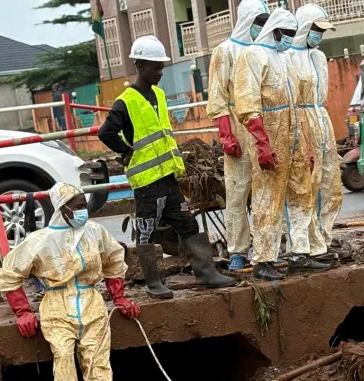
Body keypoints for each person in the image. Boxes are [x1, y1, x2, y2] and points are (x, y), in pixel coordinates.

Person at [98, 36, 235, 297]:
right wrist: (126, 151)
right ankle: (153, 283)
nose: (160, 72)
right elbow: (106, 133)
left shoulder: (159, 95)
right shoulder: (126, 102)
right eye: (155, 67)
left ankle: (207, 274)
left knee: (187, 224)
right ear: (139, 66)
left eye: (161, 67)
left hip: (168, 178)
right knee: (147, 231)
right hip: (148, 182)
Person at [0, 183, 140, 381]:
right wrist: (23, 312)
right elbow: (9, 274)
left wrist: (119, 298)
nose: (83, 211)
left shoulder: (95, 232)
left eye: (84, 206)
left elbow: (114, 259)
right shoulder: (40, 241)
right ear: (63, 208)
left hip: (91, 302)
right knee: (63, 357)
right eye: (78, 207)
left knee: (98, 363)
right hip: (56, 306)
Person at [235, 8, 319, 281]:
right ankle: (263, 259)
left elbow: (295, 106)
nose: (293, 39)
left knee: (302, 194)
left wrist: (304, 146)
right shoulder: (253, 56)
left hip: (293, 136)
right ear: (277, 31)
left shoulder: (284, 59)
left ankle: (300, 253)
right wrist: (262, 145)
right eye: (289, 33)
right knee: (267, 199)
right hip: (270, 136)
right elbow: (248, 105)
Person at [207, 0, 269, 272]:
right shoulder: (226, 51)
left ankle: (269, 245)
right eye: (258, 22)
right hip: (237, 127)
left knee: (266, 191)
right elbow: (218, 95)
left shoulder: (263, 51)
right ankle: (238, 250)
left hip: (263, 128)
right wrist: (227, 135)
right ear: (246, 20)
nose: (261, 28)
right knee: (236, 192)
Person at [288, 4, 341, 266]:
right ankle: (302, 245)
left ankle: (322, 238)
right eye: (316, 29)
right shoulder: (288, 56)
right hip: (300, 119)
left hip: (320, 118)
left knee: (329, 184)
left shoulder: (318, 57)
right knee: (303, 186)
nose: (320, 35)